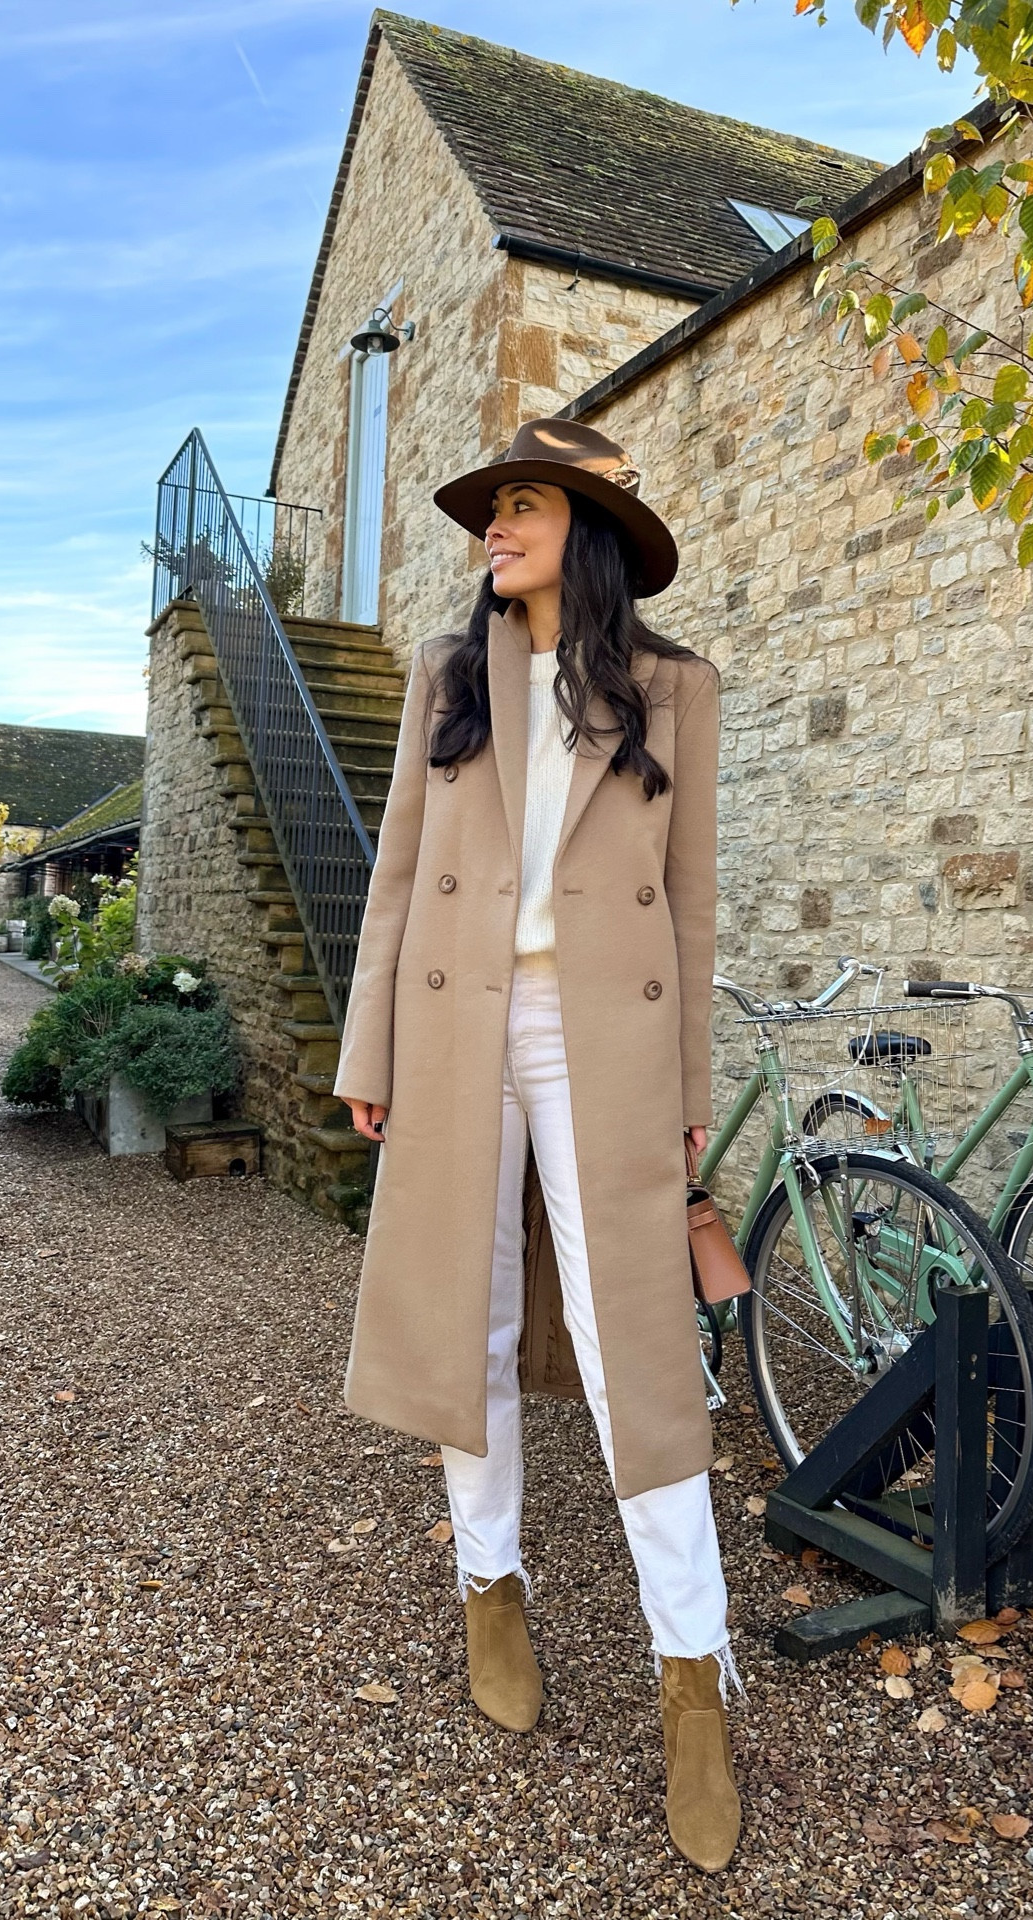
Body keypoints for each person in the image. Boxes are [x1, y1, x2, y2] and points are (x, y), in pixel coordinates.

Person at [334, 417, 740, 1873]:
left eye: (518, 508)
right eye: (488, 510)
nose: (490, 532)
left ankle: (691, 1676)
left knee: (635, 1339)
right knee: (470, 1314)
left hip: (606, 1042)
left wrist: (691, 1093)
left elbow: (689, 914)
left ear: (589, 529)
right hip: (455, 1028)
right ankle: (489, 1585)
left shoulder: (675, 689)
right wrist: (366, 1047)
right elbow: (395, 875)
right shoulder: (453, 676)